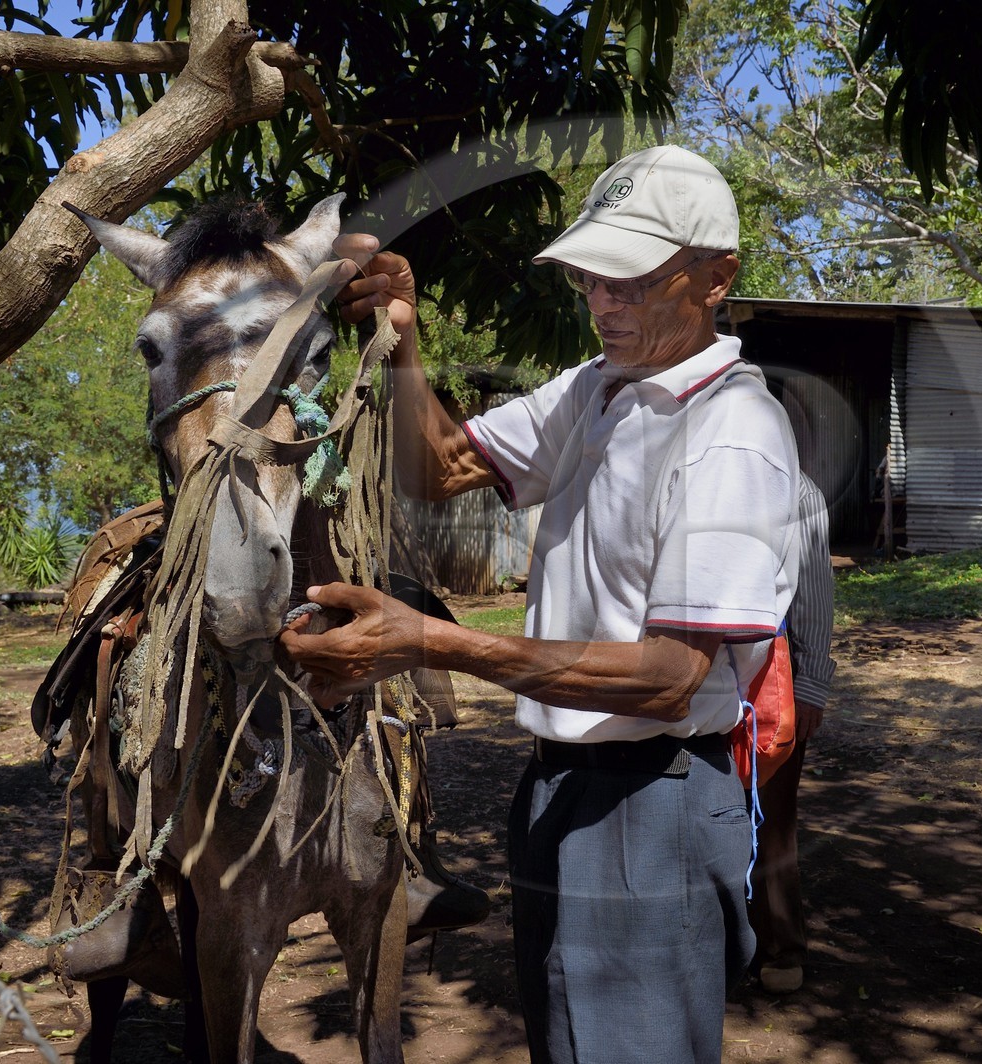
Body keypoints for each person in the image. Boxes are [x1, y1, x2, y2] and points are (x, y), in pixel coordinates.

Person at [281, 144, 802, 1064]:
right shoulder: (595, 391)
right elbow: (437, 468)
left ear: (716, 277)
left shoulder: (733, 432)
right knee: (569, 1039)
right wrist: (402, 336)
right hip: (562, 781)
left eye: (632, 280)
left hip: (657, 797)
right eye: (590, 279)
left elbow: (674, 679)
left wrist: (434, 644)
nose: (605, 302)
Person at [748, 471, 835, 994]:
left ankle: (780, 944)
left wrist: (811, 685)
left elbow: (813, 593)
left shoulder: (796, 489)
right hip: (686, 668)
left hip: (769, 673)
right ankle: (716, 939)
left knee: (771, 815)